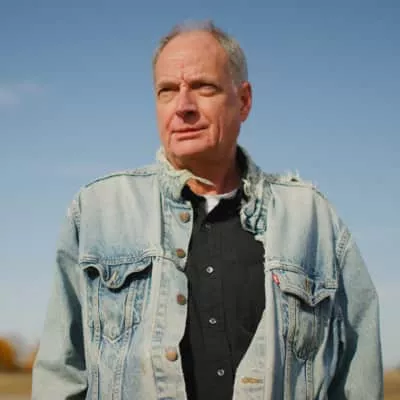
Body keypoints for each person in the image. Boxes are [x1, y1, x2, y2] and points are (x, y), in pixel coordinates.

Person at [32, 20, 383, 400]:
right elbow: (60, 375)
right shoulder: (98, 211)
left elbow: (357, 376)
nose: (183, 106)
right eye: (167, 90)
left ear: (243, 101)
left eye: (203, 87)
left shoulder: (311, 219)